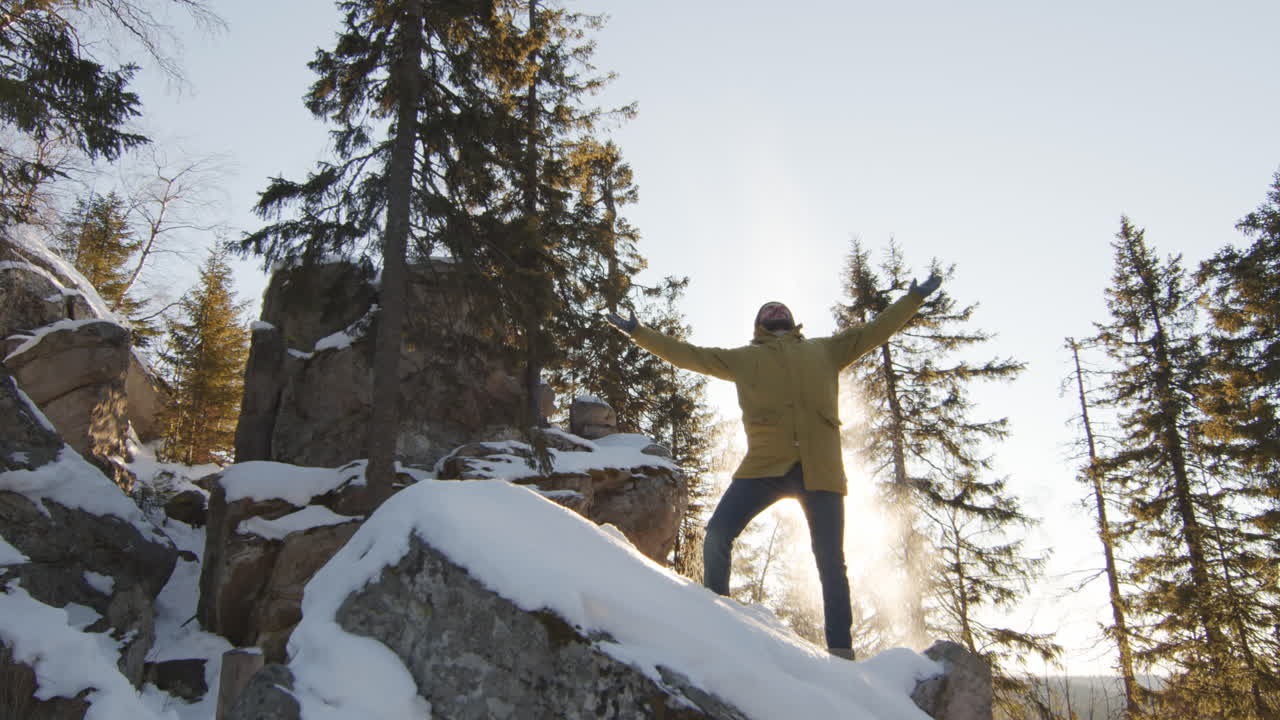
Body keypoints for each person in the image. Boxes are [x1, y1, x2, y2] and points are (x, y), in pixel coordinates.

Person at [605, 272, 941, 660]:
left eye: (781, 307)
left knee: (831, 561)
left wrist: (913, 297)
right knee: (717, 534)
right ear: (758, 325)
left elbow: (874, 331)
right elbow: (689, 354)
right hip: (764, 467)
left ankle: (841, 653)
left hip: (822, 470)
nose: (775, 308)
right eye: (767, 309)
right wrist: (639, 333)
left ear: (792, 320)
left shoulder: (826, 350)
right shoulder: (744, 359)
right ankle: (717, 615)